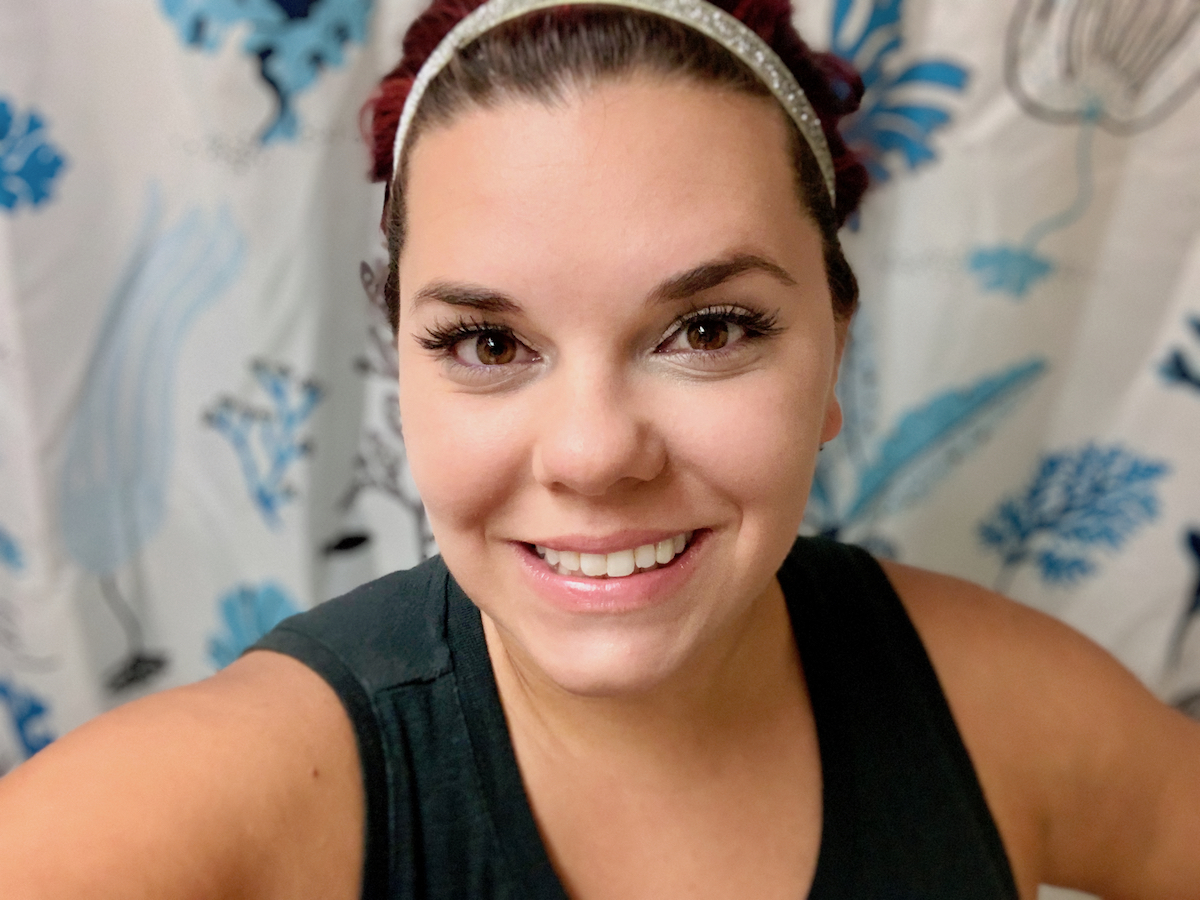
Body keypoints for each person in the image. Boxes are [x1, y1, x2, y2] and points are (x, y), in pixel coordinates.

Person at [2, 0, 1200, 897]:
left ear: (833, 352)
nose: (590, 454)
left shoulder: (998, 703)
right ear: (401, 375)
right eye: (486, 342)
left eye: (709, 328)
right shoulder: (260, 788)